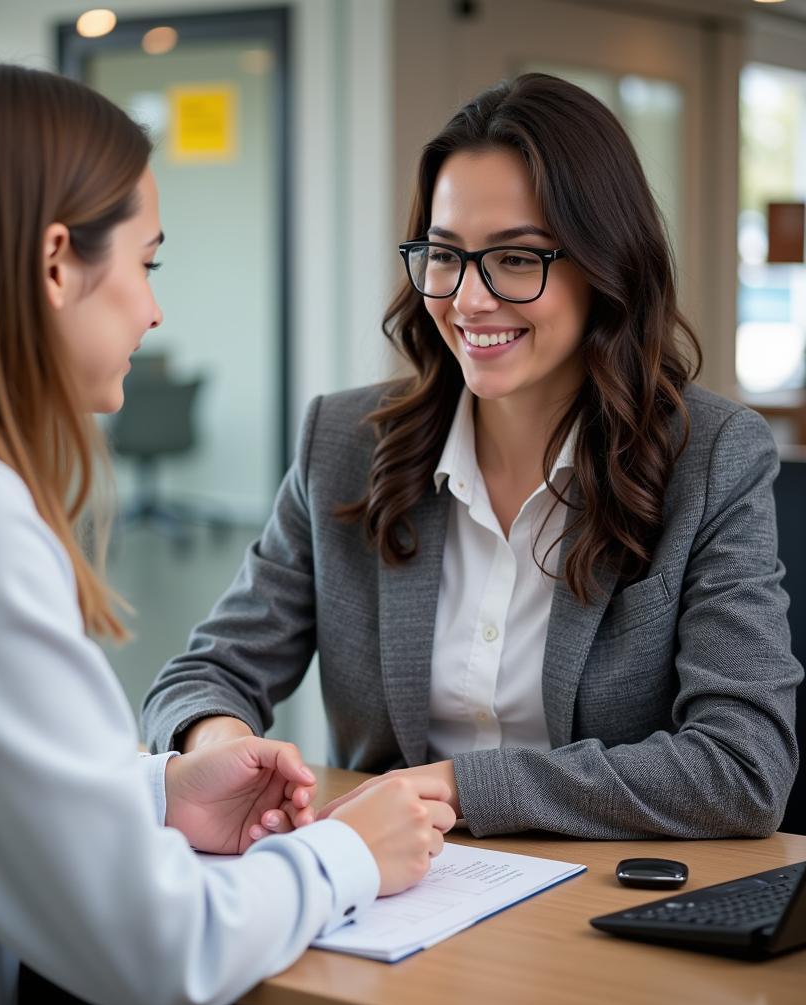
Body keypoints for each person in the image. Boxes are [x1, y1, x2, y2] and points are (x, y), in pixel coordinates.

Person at [0, 55, 458, 1005]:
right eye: (146, 263)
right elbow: (159, 949)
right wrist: (350, 853)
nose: (152, 308)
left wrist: (157, 794)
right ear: (56, 260)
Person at [143, 72, 802, 841]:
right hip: (388, 897)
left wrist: (462, 788)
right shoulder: (345, 443)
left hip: (598, 908)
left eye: (518, 259)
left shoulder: (712, 457)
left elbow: (743, 768)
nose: (468, 300)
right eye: (446, 255)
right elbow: (204, 674)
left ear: (603, 265)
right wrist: (221, 747)